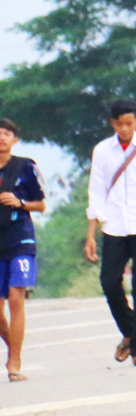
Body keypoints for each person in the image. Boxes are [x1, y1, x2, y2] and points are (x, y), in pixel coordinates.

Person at [86, 100, 136, 366]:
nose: (124, 128)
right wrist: (91, 231)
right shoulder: (102, 150)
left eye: (129, 123)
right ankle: (131, 332)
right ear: (112, 124)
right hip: (114, 225)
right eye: (119, 123)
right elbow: (96, 189)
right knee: (109, 282)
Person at [0, 119, 46, 381]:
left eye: (7, 134)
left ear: (15, 139)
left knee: (16, 298)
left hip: (20, 240)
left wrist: (20, 203)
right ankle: (12, 347)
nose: (2, 138)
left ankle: (14, 361)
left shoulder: (25, 167)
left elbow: (41, 204)